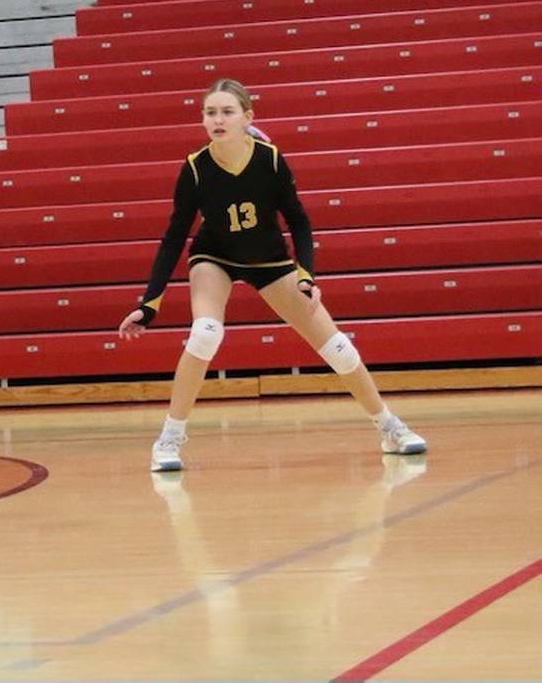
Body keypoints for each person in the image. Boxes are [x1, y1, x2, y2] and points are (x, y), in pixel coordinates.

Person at [116, 78, 427, 473]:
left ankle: (389, 427)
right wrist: (149, 304)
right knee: (205, 332)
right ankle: (169, 439)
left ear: (248, 117)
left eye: (227, 111)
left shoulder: (271, 160)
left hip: (268, 259)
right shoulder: (195, 169)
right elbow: (174, 238)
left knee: (337, 347)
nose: (217, 119)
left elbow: (298, 220)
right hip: (215, 256)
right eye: (210, 112)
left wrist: (306, 276)